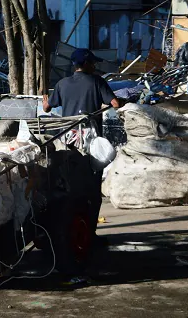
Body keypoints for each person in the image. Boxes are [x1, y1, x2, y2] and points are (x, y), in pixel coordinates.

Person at [42, 48, 122, 246]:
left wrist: (45, 99)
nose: (95, 66)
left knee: (69, 185)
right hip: (91, 143)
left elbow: (47, 108)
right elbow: (115, 103)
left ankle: (67, 231)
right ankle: (90, 234)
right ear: (85, 64)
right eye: (92, 63)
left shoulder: (62, 84)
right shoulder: (96, 81)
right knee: (93, 191)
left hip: (68, 141)